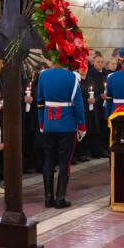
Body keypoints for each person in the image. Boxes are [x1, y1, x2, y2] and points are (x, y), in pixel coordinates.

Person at [37, 59, 86, 208]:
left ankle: (48, 198)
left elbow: (39, 102)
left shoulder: (43, 75)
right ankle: (60, 198)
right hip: (66, 125)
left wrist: (42, 122)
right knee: (65, 163)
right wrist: (82, 125)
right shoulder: (72, 77)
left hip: (48, 124)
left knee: (48, 161)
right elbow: (78, 103)